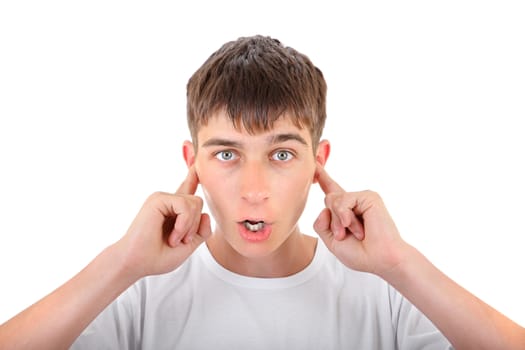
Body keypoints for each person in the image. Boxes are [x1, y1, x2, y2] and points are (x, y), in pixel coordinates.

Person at [0, 35, 523, 350]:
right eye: (226, 154)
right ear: (193, 165)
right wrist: (119, 263)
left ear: (319, 165)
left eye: (281, 154)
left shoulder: (385, 288)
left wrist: (401, 263)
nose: (253, 191)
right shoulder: (140, 286)